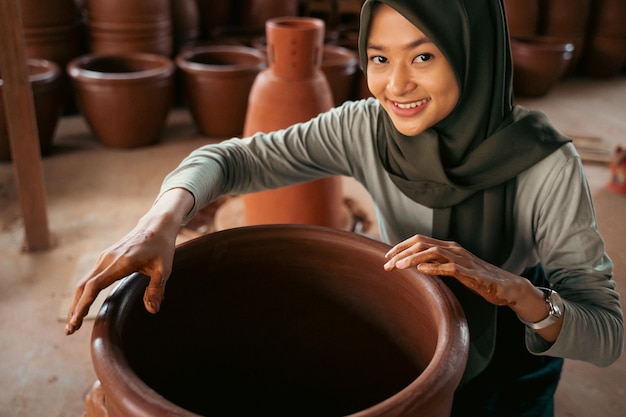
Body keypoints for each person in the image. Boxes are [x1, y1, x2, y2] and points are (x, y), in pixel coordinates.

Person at [65, 0, 624, 415]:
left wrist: (514, 292)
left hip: (514, 352)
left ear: (474, 53)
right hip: (414, 312)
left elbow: (606, 334)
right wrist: (161, 220)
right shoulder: (367, 128)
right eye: (379, 58)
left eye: (424, 56)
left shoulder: (543, 163)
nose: (395, 84)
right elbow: (231, 159)